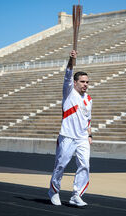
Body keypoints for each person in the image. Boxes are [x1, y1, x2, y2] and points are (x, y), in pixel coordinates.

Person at [48, 50, 93, 207]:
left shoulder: (88, 99)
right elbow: (68, 74)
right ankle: (54, 191)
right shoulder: (68, 92)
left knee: (85, 165)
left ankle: (76, 195)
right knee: (60, 165)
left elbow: (88, 119)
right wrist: (71, 60)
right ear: (75, 83)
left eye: (87, 82)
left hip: (82, 138)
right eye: (82, 82)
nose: (85, 84)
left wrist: (90, 135)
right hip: (67, 136)